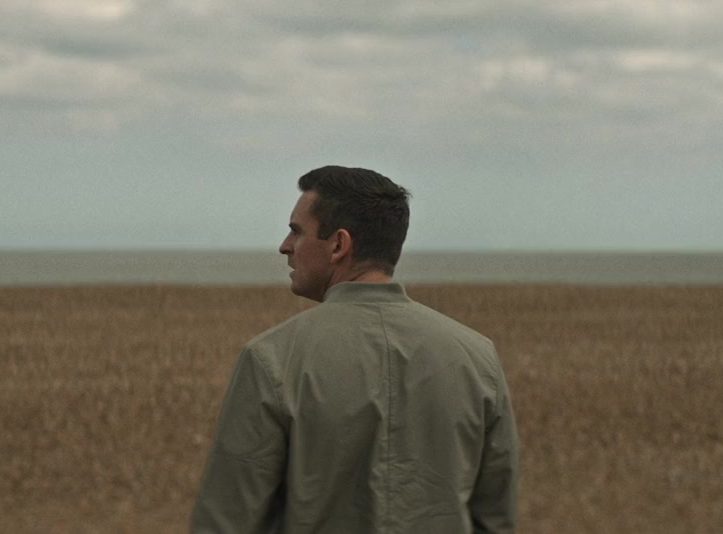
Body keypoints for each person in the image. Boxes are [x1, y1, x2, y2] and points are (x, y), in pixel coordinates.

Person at [190, 165, 519, 533]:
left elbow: (225, 522)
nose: (285, 246)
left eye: (297, 231)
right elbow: (495, 520)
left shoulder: (272, 358)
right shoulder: (477, 358)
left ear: (338, 245)